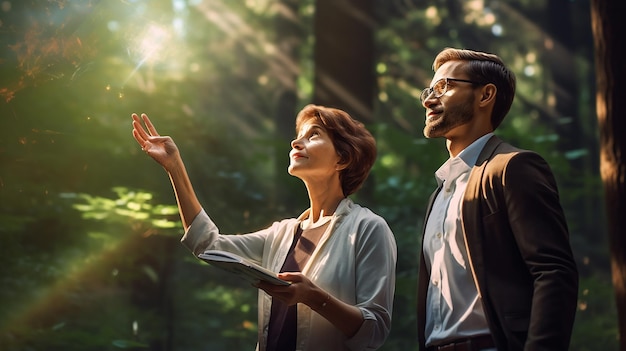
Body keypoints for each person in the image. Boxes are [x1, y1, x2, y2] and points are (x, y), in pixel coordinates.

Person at [131, 104, 397, 351]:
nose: (296, 142)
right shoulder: (282, 234)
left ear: (342, 159)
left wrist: (313, 297)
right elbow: (207, 244)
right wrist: (175, 167)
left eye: (313, 135)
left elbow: (375, 329)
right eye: (299, 135)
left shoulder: (368, 229)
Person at [416, 48, 579, 351]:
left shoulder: (512, 168)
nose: (428, 99)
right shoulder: (437, 195)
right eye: (430, 89)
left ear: (485, 95)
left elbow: (553, 272)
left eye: (444, 86)